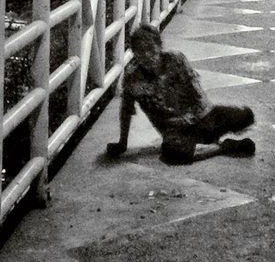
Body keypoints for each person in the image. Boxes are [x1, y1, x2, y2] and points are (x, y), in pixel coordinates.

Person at [106, 23, 255, 163]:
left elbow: (197, 93)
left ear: (159, 47)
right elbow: (126, 111)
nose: (147, 56)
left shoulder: (175, 59)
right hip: (175, 130)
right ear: (134, 53)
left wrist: (201, 118)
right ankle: (223, 147)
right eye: (140, 51)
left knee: (245, 116)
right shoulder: (132, 78)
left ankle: (206, 140)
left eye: (150, 49)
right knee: (173, 154)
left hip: (200, 116)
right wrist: (122, 143)